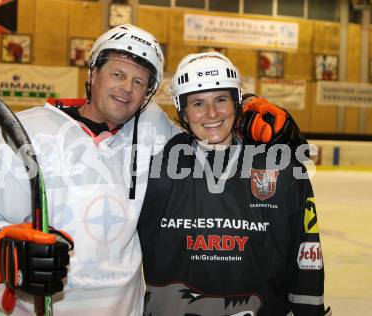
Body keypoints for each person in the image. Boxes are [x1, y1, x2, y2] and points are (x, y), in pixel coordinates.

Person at [0, 24, 306, 316]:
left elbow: (209, 127)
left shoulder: (152, 129)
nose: (126, 89)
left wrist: (255, 115)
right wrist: (4, 254)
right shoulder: (26, 132)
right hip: (38, 309)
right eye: (117, 74)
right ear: (92, 74)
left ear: (149, 93)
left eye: (139, 82)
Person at [137, 52, 331, 316]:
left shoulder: (280, 165)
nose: (212, 113)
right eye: (198, 103)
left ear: (237, 102)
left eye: (221, 99)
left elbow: (306, 253)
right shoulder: (155, 166)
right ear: (182, 110)